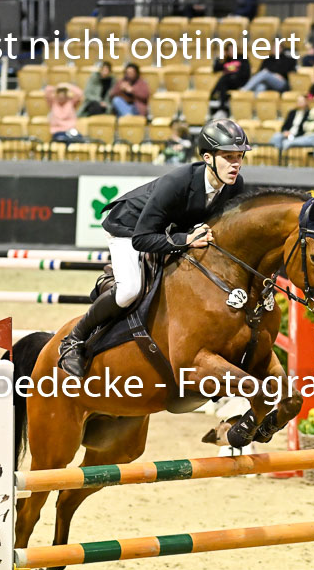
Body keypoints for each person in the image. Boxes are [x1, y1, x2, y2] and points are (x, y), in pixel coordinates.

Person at [57, 119, 250, 377]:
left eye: (239, 156)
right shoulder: (177, 182)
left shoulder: (234, 185)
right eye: (228, 157)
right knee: (129, 291)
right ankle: (73, 340)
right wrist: (186, 240)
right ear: (208, 157)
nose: (236, 164)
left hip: (168, 230)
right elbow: (142, 239)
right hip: (128, 228)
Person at [210, 45, 250, 116]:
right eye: (229, 50)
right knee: (224, 82)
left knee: (224, 78)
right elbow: (215, 68)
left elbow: (246, 73)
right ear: (227, 52)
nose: (231, 51)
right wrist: (219, 57)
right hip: (228, 83)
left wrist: (234, 76)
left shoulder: (242, 58)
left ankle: (213, 95)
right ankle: (222, 107)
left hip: (240, 82)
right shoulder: (227, 61)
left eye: (233, 49)